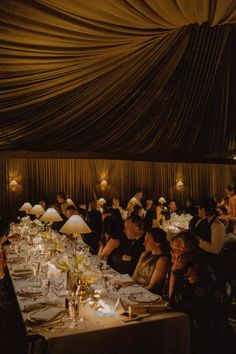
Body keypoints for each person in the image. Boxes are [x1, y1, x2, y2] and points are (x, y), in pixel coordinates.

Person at [168, 231, 236, 354]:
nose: (171, 253)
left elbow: (173, 303)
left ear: (187, 251)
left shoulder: (195, 271)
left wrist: (174, 273)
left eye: (175, 249)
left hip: (204, 329)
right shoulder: (191, 263)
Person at [190, 198, 225, 273]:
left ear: (204, 209)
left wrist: (198, 240)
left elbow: (216, 249)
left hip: (209, 261)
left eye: (199, 208)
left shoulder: (217, 226)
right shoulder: (200, 219)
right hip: (197, 256)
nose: (198, 210)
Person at [132, 228, 170, 294]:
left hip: (148, 295)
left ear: (157, 243)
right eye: (144, 240)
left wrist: (135, 292)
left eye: (147, 240)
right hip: (135, 289)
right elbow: (134, 276)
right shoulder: (144, 254)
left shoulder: (162, 260)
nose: (144, 243)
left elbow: (151, 287)